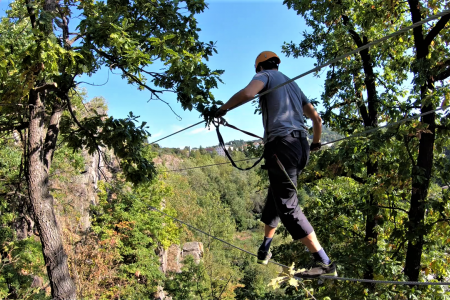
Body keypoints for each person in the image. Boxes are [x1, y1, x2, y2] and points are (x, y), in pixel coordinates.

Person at [215, 51, 337, 278]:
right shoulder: (292, 84)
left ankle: (325, 263)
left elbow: (249, 93)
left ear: (259, 67)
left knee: (288, 205)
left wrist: (222, 109)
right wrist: (316, 144)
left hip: (282, 146)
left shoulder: (266, 76)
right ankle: (265, 248)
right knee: (277, 194)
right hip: (301, 147)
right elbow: (316, 119)